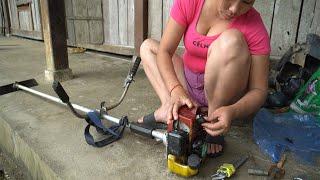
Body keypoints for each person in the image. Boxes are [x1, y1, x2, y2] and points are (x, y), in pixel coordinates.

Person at [138, 0, 270, 156]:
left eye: (246, 2)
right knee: (148, 47)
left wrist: (233, 111)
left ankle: (212, 121)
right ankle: (170, 107)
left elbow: (259, 90)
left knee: (232, 40)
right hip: (187, 84)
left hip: (221, 92)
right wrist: (176, 88)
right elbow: (165, 51)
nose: (235, 9)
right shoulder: (191, 2)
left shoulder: (254, 25)